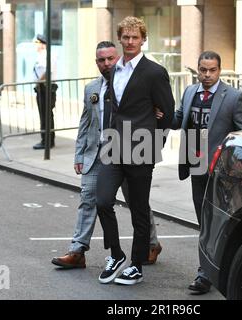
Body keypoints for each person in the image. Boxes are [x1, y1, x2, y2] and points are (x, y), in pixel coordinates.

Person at [51, 41, 162, 269]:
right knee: (88, 199)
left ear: (118, 58)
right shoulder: (92, 88)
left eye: (111, 58)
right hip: (97, 154)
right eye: (102, 60)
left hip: (128, 153)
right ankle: (77, 250)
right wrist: (79, 154)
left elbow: (156, 114)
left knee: (136, 201)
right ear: (97, 63)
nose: (107, 64)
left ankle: (151, 244)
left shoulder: (133, 85)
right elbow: (86, 122)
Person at [96, 16, 174, 286]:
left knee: (139, 209)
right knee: (102, 200)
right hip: (113, 146)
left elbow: (168, 112)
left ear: (143, 40)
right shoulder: (113, 69)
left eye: (135, 37)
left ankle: (136, 264)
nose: (130, 42)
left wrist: (155, 143)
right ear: (120, 39)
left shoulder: (154, 72)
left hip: (142, 149)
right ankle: (116, 255)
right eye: (125, 37)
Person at [172, 51, 242, 294]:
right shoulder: (189, 92)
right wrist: (159, 114)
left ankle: (206, 274)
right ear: (197, 69)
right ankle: (209, 269)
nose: (207, 75)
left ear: (220, 70)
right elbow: (178, 119)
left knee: (215, 221)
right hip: (196, 165)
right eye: (203, 70)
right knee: (203, 219)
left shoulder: (234, 97)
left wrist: (238, 168)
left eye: (212, 70)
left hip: (222, 171)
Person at [33, 34, 58, 150]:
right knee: (43, 115)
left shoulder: (49, 55)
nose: (35, 45)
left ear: (43, 44)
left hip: (46, 87)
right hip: (41, 87)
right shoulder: (41, 55)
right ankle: (45, 140)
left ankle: (47, 141)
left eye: (36, 43)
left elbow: (48, 71)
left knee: (46, 115)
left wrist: (38, 81)